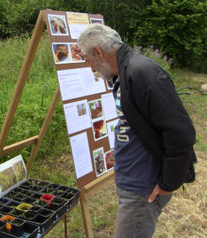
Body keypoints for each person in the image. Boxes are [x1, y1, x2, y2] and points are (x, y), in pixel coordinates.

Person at [77, 24, 196, 238]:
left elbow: (180, 133)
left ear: (98, 52)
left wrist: (168, 183)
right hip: (133, 182)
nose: (91, 69)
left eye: (89, 61)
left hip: (143, 188)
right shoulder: (124, 73)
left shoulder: (142, 73)